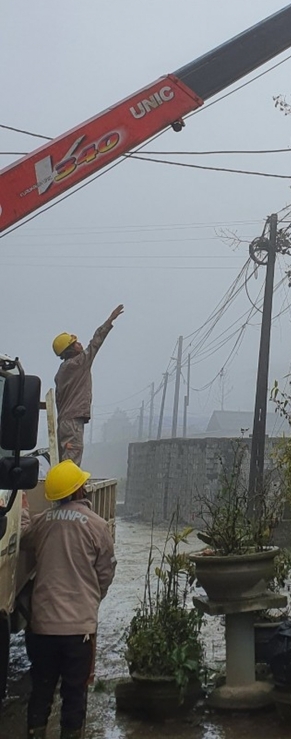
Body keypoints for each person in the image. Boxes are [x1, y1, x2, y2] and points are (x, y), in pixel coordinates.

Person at [21, 459, 116, 739]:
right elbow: (106, 573)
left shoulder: (42, 523)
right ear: (79, 491)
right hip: (78, 632)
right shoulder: (98, 527)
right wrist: (91, 599)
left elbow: (24, 538)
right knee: (74, 695)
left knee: (41, 690)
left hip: (43, 628)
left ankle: (35, 731)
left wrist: (24, 512)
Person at [53, 305, 124, 466]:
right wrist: (110, 320)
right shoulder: (79, 363)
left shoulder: (61, 371)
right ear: (70, 349)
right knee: (71, 463)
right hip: (72, 422)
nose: (80, 344)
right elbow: (95, 343)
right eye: (76, 343)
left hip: (64, 422)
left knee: (64, 462)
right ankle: (72, 490)